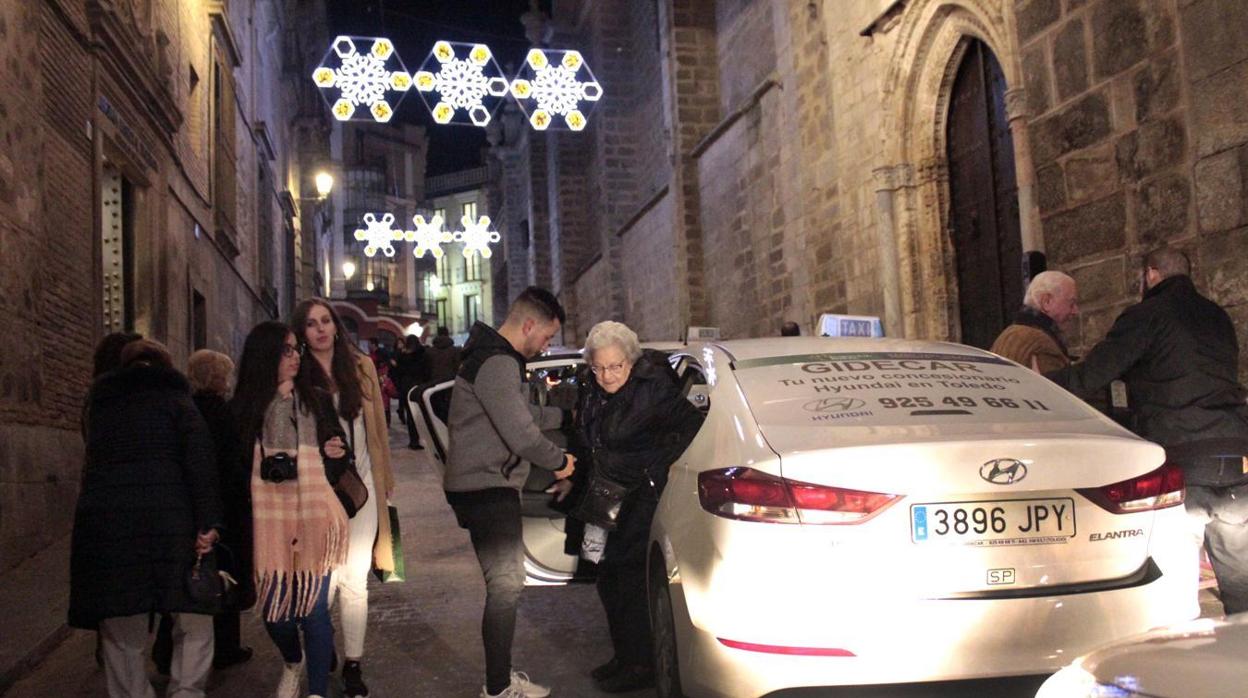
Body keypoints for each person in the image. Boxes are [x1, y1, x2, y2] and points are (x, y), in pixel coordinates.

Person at [1046, 248, 1248, 614]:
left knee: (1178, 591)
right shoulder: (1217, 316)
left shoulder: (1146, 315)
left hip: (1183, 461)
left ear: (1151, 274)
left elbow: (1091, 375)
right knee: (1243, 592)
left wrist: (1036, 386)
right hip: (1236, 456)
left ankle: (1185, 662)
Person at [549, 321, 703, 692]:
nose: (606, 375)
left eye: (615, 366)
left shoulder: (654, 390)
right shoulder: (590, 388)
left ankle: (642, 665)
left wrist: (663, 465)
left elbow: (693, 428)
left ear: (630, 362)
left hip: (640, 495)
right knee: (607, 579)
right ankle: (625, 656)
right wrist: (574, 476)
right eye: (599, 367)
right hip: (603, 494)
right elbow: (590, 442)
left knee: (630, 581)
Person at [69, 339, 223, 698]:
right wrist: (208, 524)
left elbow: (91, 470)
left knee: (123, 623)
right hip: (174, 523)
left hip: (112, 527)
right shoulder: (180, 403)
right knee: (193, 615)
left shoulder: (101, 406)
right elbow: (200, 465)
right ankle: (187, 691)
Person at [444, 287, 577, 698]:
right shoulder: (499, 362)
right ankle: (498, 688)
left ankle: (500, 679)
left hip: (481, 484)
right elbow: (521, 434)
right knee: (506, 584)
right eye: (547, 337)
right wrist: (561, 461)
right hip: (486, 486)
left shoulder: (493, 356)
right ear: (530, 324)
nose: (547, 345)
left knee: (506, 583)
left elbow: (522, 413)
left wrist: (566, 415)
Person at [232, 321, 349, 698]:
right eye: (286, 350)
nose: (295, 355)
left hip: (316, 514)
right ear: (265, 356)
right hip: (268, 523)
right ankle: (293, 661)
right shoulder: (244, 408)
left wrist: (336, 451)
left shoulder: (316, 399)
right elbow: (232, 469)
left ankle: (316, 691)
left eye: (296, 348)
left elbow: (336, 450)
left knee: (314, 611)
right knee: (276, 614)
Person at [293, 299, 397, 697]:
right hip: (317, 493)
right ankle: (324, 644)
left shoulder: (360, 367)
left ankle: (353, 662)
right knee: (324, 581)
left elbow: (378, 430)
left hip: (362, 487)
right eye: (310, 324)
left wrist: (386, 478)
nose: (320, 329)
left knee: (355, 579)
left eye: (325, 322)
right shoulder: (297, 375)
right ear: (301, 332)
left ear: (336, 326)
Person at [187, 349, 255, 669]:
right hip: (227, 510)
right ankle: (226, 648)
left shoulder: (186, 410)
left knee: (193, 578)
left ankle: (169, 651)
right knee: (225, 581)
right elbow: (234, 465)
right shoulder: (224, 414)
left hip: (193, 507)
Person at [990, 270, 1079, 373]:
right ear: (1047, 302)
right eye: (1071, 304)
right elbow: (1053, 387)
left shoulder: (1009, 334)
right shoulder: (1040, 344)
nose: (1075, 311)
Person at [394, 334, 430, 450]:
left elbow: (397, 373)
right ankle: (420, 439)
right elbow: (425, 371)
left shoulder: (402, 356)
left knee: (410, 414)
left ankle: (413, 440)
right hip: (418, 387)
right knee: (420, 414)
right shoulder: (422, 354)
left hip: (405, 387)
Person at [426, 326, 462, 423]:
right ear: (447, 334)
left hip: (433, 385)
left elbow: (427, 369)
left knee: (436, 411)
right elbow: (458, 367)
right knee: (449, 411)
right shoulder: (455, 350)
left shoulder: (429, 351)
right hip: (450, 384)